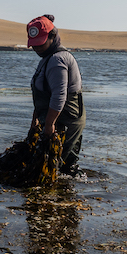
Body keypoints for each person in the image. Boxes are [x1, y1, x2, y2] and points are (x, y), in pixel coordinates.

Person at [26, 14, 85, 176]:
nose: (36, 48)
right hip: (52, 118)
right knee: (48, 166)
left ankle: (70, 197)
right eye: (34, 45)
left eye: (40, 44)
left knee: (63, 166)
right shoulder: (47, 58)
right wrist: (36, 120)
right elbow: (42, 96)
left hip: (66, 119)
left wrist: (49, 124)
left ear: (53, 37)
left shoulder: (58, 60)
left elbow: (59, 95)